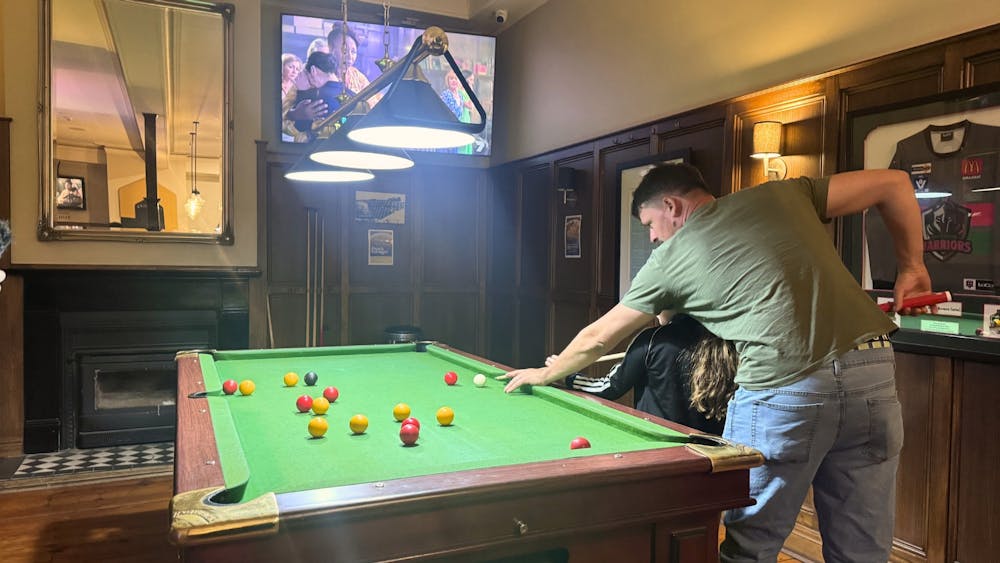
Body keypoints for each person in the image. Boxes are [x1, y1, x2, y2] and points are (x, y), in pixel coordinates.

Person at [502, 164, 932, 562]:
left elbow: (599, 336)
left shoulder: (668, 259)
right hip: (873, 371)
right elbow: (894, 183)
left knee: (749, 548)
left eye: (650, 224)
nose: (651, 237)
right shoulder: (783, 194)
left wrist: (544, 373)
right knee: (864, 552)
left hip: (785, 388)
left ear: (671, 206)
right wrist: (912, 267)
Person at [554, 313, 735, 435]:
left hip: (658, 444)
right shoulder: (725, 339)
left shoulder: (652, 339)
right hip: (710, 449)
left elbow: (609, 387)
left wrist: (568, 377)